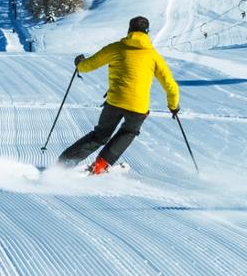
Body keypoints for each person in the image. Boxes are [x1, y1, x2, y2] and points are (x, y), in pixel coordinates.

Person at [58, 16, 180, 175]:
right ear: (147, 33)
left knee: (100, 135)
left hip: (115, 102)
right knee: (129, 132)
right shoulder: (153, 56)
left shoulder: (115, 48)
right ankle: (101, 164)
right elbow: (171, 85)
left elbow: (88, 66)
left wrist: (80, 63)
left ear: (129, 31)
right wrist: (173, 106)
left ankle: (65, 162)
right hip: (138, 107)